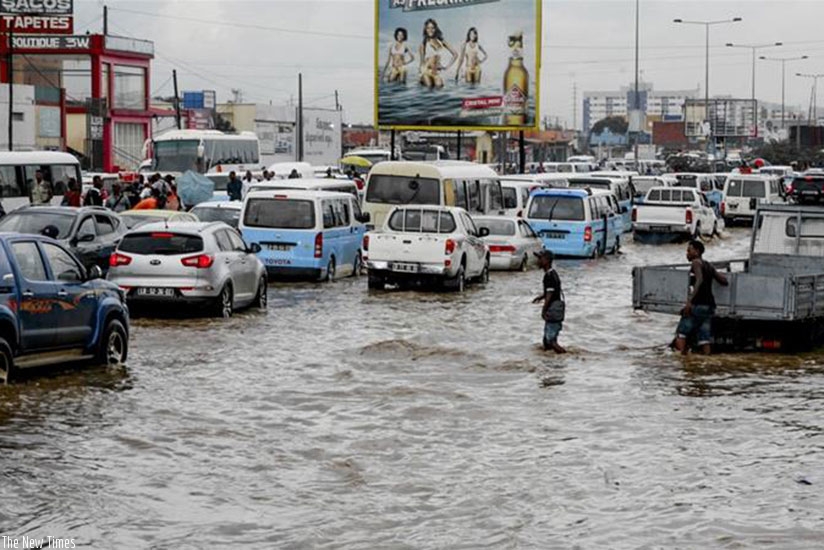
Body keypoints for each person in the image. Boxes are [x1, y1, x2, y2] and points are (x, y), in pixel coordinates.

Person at [673, 240, 729, 355]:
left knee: (682, 333)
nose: (687, 253)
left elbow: (699, 280)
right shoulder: (708, 265)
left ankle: (682, 361)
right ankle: (705, 362)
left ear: (697, 251)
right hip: (709, 306)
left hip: (697, 305)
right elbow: (724, 281)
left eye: (689, 250)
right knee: (704, 339)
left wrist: (690, 302)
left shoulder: (696, 263)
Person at [532, 250, 566, 354]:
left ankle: (566, 356)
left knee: (551, 341)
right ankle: (550, 364)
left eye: (540, 259)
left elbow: (550, 295)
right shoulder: (551, 274)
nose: (537, 261)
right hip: (555, 309)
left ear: (546, 261)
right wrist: (540, 297)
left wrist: (543, 310)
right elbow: (550, 292)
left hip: (553, 310)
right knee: (547, 342)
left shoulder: (549, 276)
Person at [419, 18, 457, 89]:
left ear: (436, 29)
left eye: (432, 28)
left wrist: (446, 67)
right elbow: (421, 62)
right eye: (428, 28)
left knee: (439, 88)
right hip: (426, 72)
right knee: (429, 87)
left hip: (437, 73)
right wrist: (419, 75)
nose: (430, 30)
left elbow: (455, 54)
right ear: (425, 29)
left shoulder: (442, 41)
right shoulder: (423, 44)